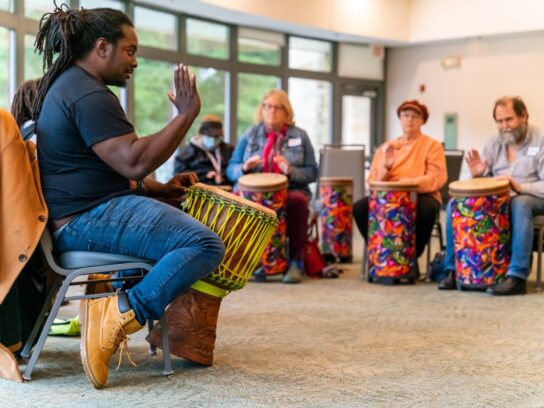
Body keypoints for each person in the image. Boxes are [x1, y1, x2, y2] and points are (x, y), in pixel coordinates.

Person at [33, 5, 225, 389]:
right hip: (85, 222)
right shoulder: (86, 93)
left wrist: (158, 189)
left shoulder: (74, 85)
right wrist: (185, 116)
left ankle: (136, 316)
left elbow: (110, 169)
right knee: (204, 243)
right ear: (102, 46)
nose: (134, 61)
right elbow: (133, 161)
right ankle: (122, 310)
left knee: (186, 235)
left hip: (84, 215)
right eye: (130, 50)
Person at [438, 96, 544, 295]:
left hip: (532, 197)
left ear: (524, 116)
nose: (505, 126)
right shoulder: (494, 143)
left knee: (519, 204)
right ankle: (453, 270)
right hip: (500, 199)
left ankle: (517, 276)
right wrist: (479, 175)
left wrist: (520, 187)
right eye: (500, 121)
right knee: (455, 205)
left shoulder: (541, 140)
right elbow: (484, 180)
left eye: (509, 119)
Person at [227, 89, 318, 284]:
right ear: (262, 109)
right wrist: (244, 167)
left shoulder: (300, 136)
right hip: (253, 191)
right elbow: (230, 169)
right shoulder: (250, 134)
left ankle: (295, 262)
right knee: (235, 199)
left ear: (287, 112)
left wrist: (290, 170)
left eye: (278, 107)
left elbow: (312, 172)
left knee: (297, 201)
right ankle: (240, 261)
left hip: (289, 190)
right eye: (268, 106)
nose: (272, 111)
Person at [353, 100, 447, 278]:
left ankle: (409, 258)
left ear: (423, 120)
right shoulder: (386, 147)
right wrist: (386, 167)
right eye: (405, 115)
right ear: (400, 118)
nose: (409, 120)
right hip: (388, 197)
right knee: (360, 207)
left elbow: (436, 177)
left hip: (421, 194)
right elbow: (373, 182)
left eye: (415, 116)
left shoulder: (431, 145)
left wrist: (408, 185)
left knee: (426, 210)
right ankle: (381, 252)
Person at [174, 114, 234, 187]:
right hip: (199, 190)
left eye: (216, 136)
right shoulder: (190, 150)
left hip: (225, 189)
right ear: (201, 133)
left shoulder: (228, 149)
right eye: (209, 136)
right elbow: (179, 173)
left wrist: (221, 175)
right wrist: (204, 175)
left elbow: (233, 169)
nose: (213, 139)